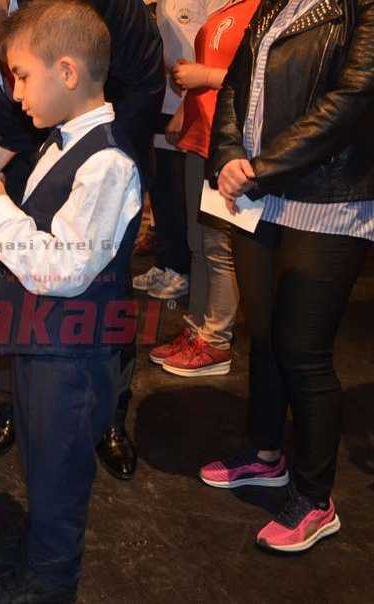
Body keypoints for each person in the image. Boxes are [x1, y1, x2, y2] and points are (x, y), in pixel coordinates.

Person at [0, 0, 165, 478]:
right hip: (16, 156)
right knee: (12, 280)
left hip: (97, 149)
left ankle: (109, 415)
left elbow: (145, 77)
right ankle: (17, 403)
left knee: (101, 289)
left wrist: (105, 166)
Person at [200, 0, 374, 552]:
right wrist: (231, 155)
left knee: (303, 350)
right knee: (263, 332)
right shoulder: (277, 3)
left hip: (331, 197)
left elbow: (354, 100)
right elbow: (238, 85)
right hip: (260, 193)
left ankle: (315, 497)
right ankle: (265, 455)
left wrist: (263, 167)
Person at [0, 3, 141, 601]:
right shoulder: (56, 147)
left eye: (20, 75)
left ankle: (49, 586)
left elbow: (63, 267)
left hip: (73, 361)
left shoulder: (108, 164)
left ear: (66, 72)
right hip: (42, 350)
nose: (14, 94)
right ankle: (39, 564)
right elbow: (39, 238)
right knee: (41, 471)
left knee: (60, 481)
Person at [148, 0, 259, 376]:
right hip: (203, 134)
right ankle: (198, 329)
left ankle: (215, 340)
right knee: (199, 242)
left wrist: (205, 77)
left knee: (218, 246)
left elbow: (264, 75)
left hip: (229, 139)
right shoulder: (227, 7)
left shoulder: (264, 8)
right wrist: (185, 110)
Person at [132, 0, 223, 301]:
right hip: (161, 100)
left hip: (192, 107)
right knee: (162, 189)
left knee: (183, 192)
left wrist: (187, 107)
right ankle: (167, 261)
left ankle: (184, 270)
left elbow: (211, 49)